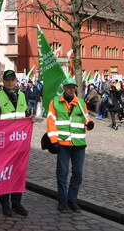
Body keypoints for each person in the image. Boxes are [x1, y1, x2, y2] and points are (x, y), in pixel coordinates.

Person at [0, 70, 31, 218]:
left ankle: (17, 203)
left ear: (16, 81)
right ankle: (5, 205)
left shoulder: (23, 95)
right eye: (7, 80)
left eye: (12, 80)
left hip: (20, 142)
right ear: (3, 82)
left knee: (18, 173)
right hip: (5, 144)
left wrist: (30, 119)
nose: (10, 82)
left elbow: (24, 115)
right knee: (5, 174)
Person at [46, 78, 94, 213]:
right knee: (63, 173)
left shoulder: (80, 103)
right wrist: (54, 141)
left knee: (78, 173)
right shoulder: (55, 102)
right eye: (69, 87)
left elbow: (86, 119)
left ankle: (72, 200)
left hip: (79, 144)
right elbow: (51, 122)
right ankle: (62, 201)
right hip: (62, 143)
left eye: (73, 87)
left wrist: (90, 124)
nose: (71, 89)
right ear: (64, 88)